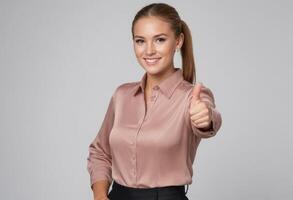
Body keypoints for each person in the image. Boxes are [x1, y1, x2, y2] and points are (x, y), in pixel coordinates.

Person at [87, 3, 222, 200]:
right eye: (140, 41)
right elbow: (100, 152)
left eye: (159, 40)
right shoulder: (122, 96)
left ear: (178, 41)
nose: (149, 50)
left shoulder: (191, 97)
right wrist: (100, 196)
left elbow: (210, 118)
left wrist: (206, 118)